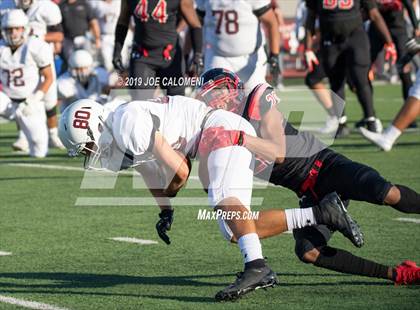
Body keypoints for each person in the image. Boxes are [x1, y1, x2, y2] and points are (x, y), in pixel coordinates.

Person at [58, 94, 363, 301]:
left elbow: (179, 169)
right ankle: (321, 213)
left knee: (224, 198)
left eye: (87, 147)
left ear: (96, 126)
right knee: (234, 229)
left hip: (217, 131)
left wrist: (172, 191)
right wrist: (165, 210)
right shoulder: (120, 120)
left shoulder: (125, 122)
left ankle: (257, 267)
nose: (90, 153)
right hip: (210, 138)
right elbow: (150, 170)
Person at [196, 68, 420, 286]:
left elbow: (279, 152)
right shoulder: (219, 130)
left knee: (386, 193)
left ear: (233, 87)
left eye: (219, 92)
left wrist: (238, 138)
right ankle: (398, 273)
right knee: (309, 252)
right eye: (209, 96)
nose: (216, 101)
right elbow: (211, 185)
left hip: (326, 167)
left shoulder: (256, 101)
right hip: (308, 193)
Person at [305, 0, 397, 133]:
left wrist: (389, 42)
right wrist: (308, 49)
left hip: (355, 37)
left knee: (360, 79)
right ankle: (341, 122)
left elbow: (374, 13)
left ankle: (370, 118)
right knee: (336, 81)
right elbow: (311, 17)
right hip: (330, 39)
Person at [112, 0, 203, 99]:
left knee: (177, 104)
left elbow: (195, 24)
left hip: (170, 56)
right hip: (142, 56)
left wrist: (198, 55)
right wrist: (117, 51)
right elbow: (123, 20)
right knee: (140, 105)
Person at [12, 0, 64, 150]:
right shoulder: (6, 5)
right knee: (20, 95)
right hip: (18, 58)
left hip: (42, 57)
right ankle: (22, 135)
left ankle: (53, 134)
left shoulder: (47, 7)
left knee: (50, 98)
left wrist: (35, 37)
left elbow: (59, 36)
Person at [0, 9, 53, 157]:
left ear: (24, 29)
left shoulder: (34, 46)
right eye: (9, 29)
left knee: (39, 149)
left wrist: (34, 99)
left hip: (29, 103)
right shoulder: (1, 48)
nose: (13, 33)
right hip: (7, 101)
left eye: (17, 28)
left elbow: (49, 77)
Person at [196, 0, 280, 90]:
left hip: (250, 57)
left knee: (256, 99)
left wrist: (274, 55)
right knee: (214, 98)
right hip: (218, 55)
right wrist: (196, 53)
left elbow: (272, 22)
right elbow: (195, 23)